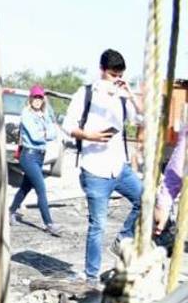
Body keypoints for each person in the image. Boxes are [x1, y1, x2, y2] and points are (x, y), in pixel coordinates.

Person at [62, 49, 144, 285]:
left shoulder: (122, 96)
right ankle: (91, 277)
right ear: (102, 70)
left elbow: (142, 120)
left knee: (146, 200)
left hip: (119, 167)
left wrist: (129, 94)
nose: (115, 78)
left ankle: (123, 239)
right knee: (98, 224)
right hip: (95, 169)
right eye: (112, 74)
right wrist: (89, 135)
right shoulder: (85, 93)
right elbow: (68, 125)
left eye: (119, 75)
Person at [9, 85, 61, 236]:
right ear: (30, 98)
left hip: (39, 156)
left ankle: (11, 211)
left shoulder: (43, 115)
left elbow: (53, 134)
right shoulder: (26, 114)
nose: (37, 100)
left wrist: (45, 131)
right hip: (29, 156)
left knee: (26, 187)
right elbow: (35, 136)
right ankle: (49, 223)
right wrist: (46, 132)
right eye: (35, 97)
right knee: (41, 188)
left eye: (40, 98)